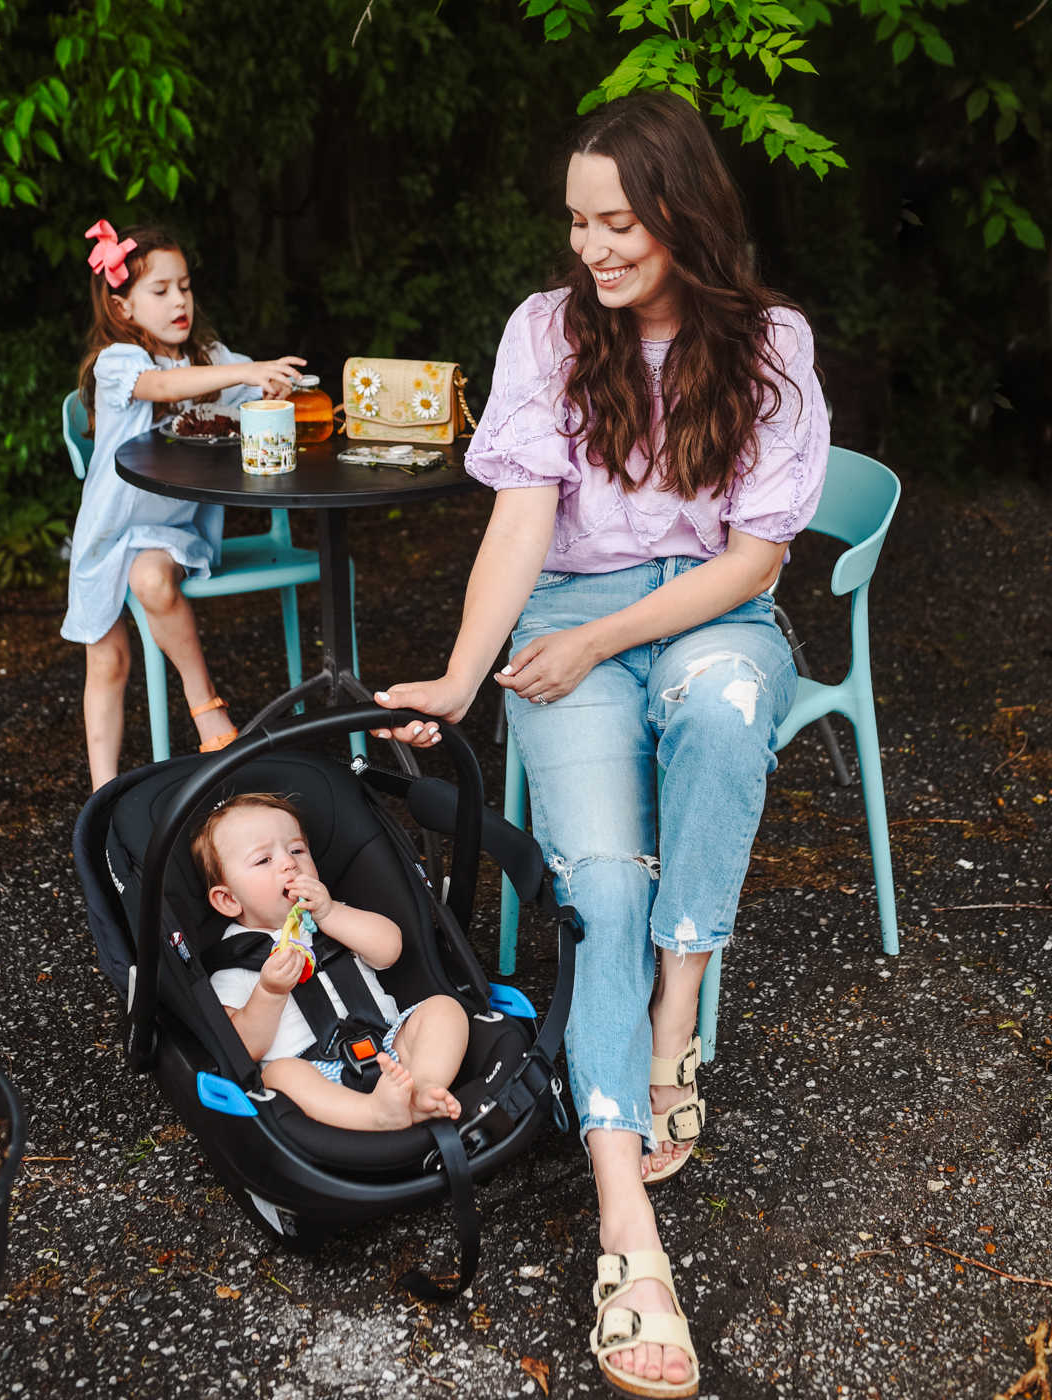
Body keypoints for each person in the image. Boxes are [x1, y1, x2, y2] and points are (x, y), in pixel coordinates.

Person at [371, 91, 828, 1397]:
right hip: (568, 615)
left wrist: (610, 632)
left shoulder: (770, 346)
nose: (594, 249)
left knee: (733, 714)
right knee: (598, 879)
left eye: (618, 221)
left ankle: (678, 1004)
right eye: (578, 222)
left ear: (682, 210)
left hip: (705, 607)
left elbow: (752, 560)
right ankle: (626, 1221)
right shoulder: (544, 334)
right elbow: (521, 521)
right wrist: (467, 675)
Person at [63, 220, 308, 791]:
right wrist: (246, 371)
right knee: (108, 661)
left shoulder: (210, 357)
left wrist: (272, 384)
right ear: (123, 308)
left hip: (171, 533)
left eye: (186, 286)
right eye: (161, 290)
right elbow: (166, 388)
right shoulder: (119, 363)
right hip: (105, 533)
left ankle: (208, 712)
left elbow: (251, 385)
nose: (180, 301)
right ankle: (103, 795)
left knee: (151, 578)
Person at [192, 793, 470, 1131]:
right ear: (228, 899)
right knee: (278, 1075)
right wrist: (270, 992)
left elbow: (390, 948)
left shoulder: (333, 917)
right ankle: (372, 1113)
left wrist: (330, 913)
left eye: (296, 850)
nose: (289, 863)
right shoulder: (233, 962)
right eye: (264, 860)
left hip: (390, 1047)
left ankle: (424, 1088)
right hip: (312, 1071)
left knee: (444, 1009)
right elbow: (240, 1047)